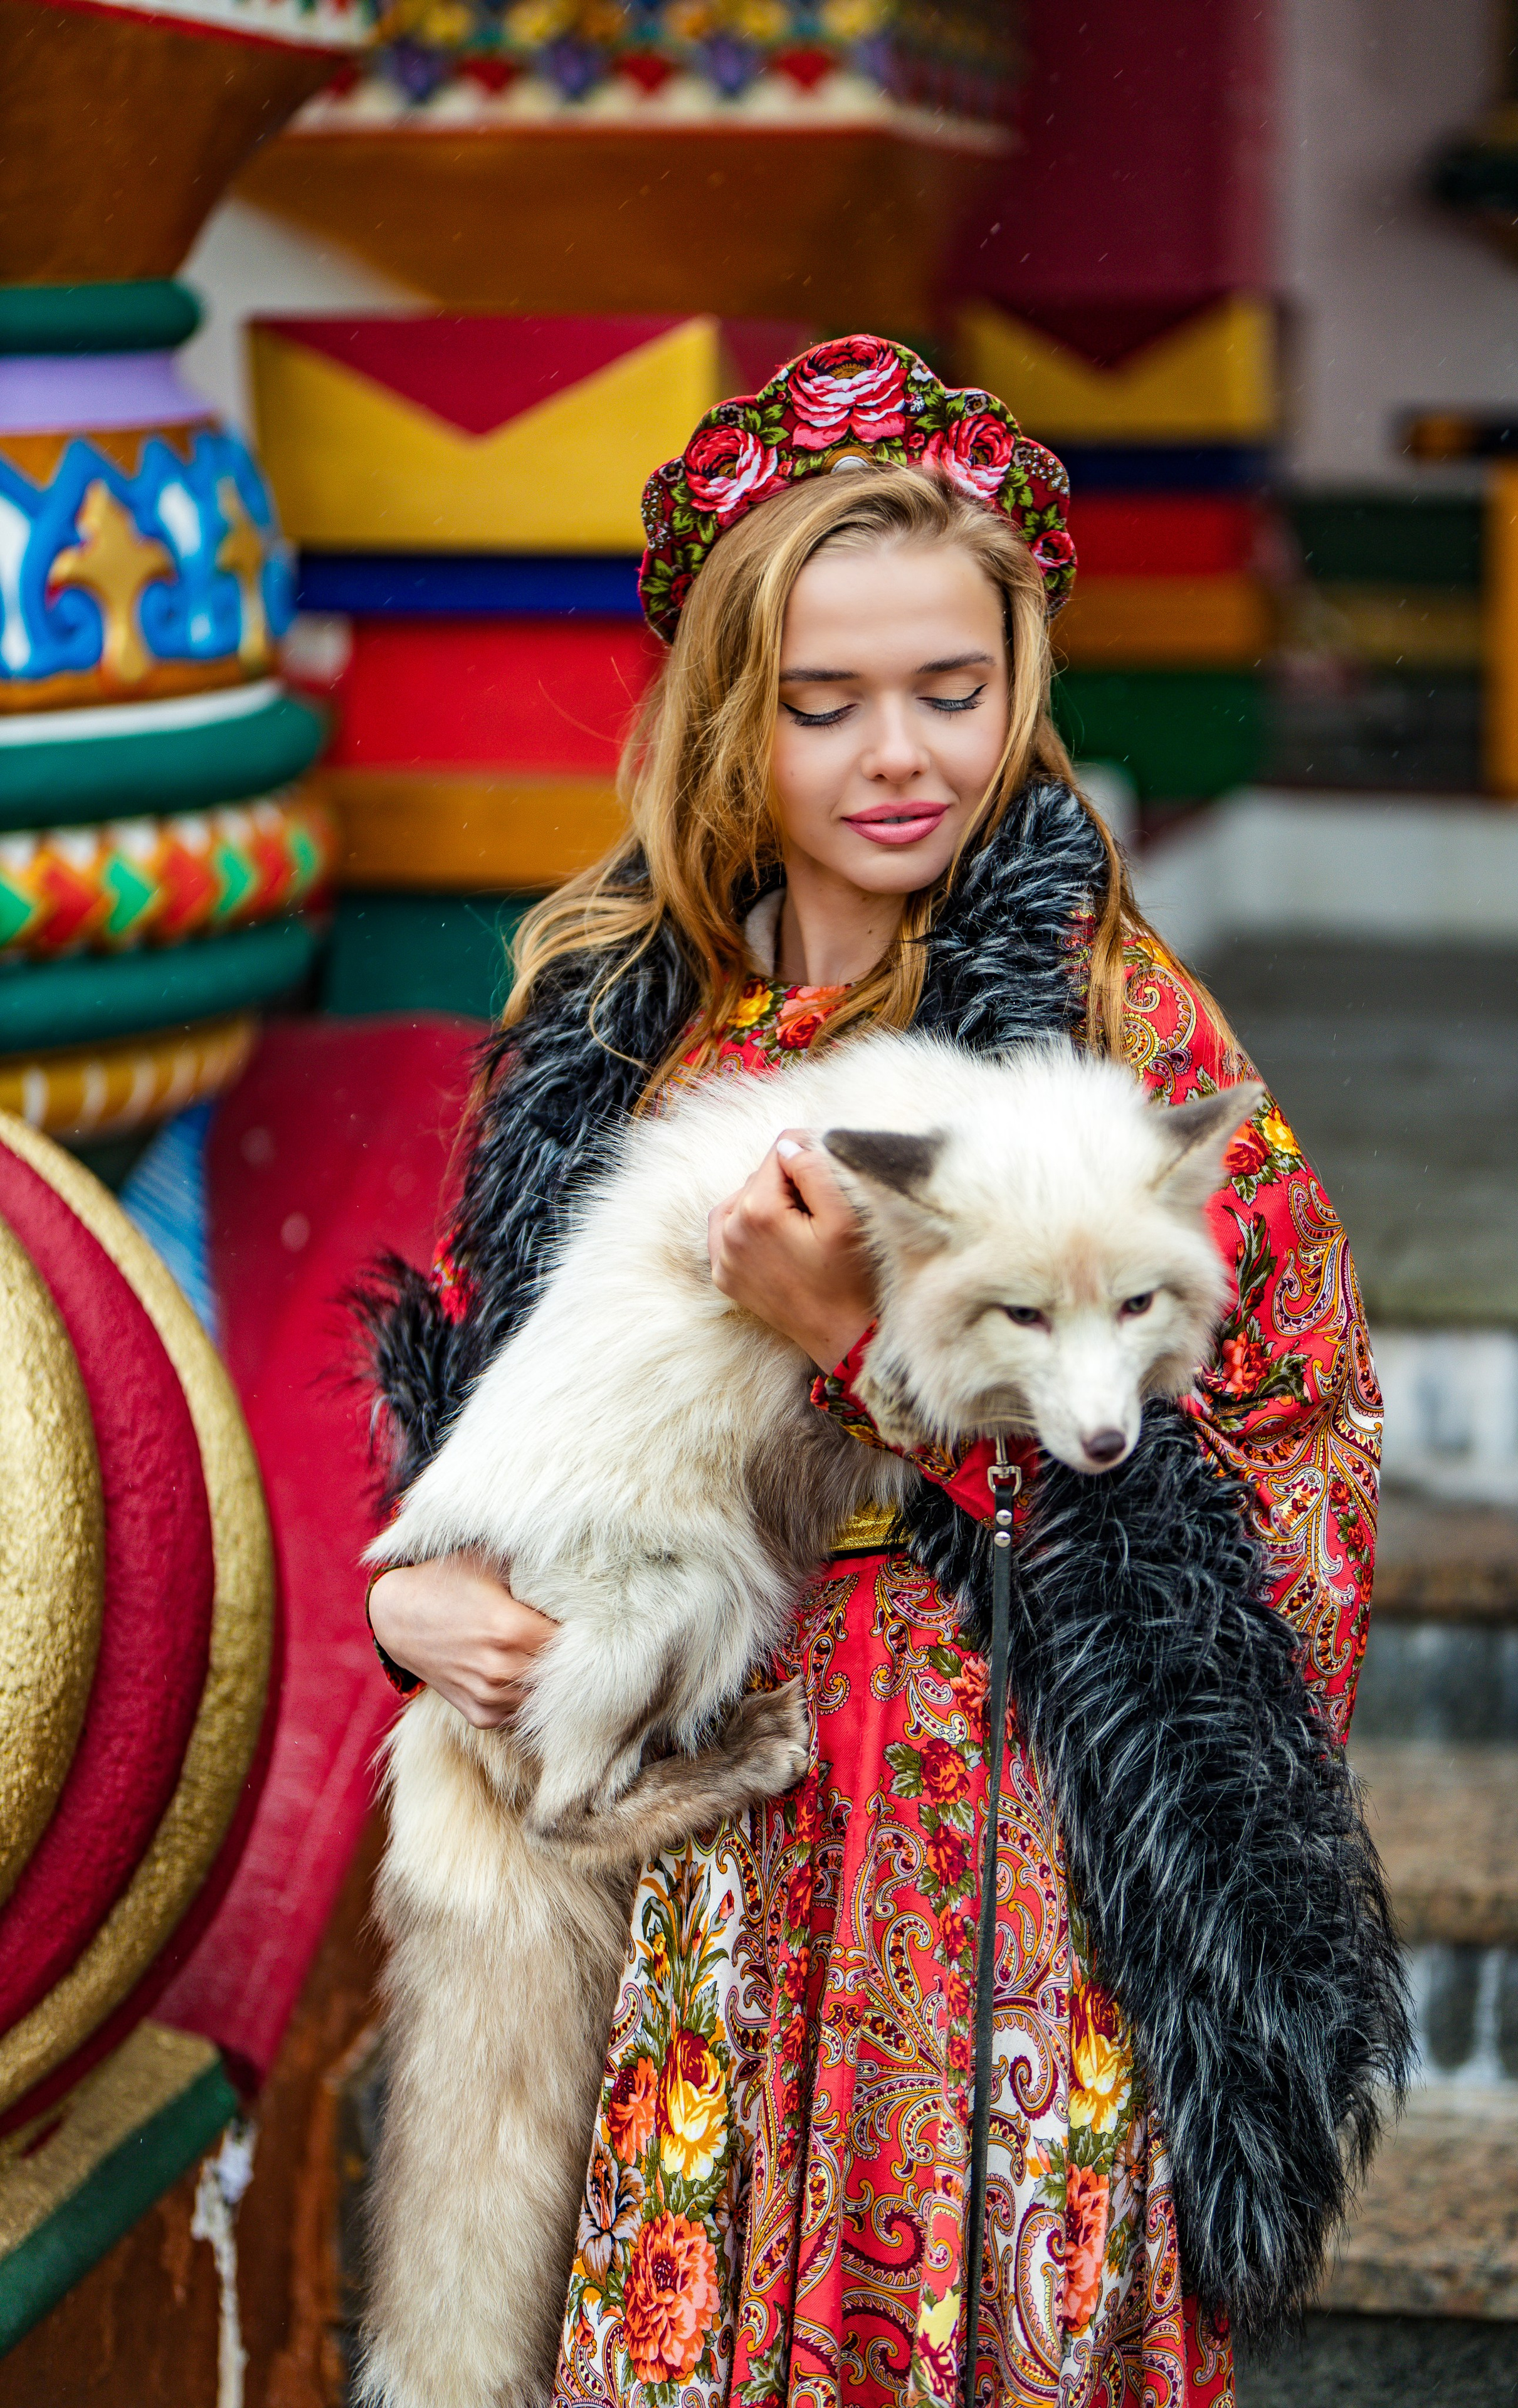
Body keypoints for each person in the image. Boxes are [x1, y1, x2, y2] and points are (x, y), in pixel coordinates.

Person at [363, 338, 1383, 2408]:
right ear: (735, 712)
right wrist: (417, 1600)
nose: (899, 754)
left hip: (997, 1860)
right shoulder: (618, 1037)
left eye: (956, 689)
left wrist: (860, 1355)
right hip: (694, 1859)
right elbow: (515, 1409)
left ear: (1025, 680)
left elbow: (1299, 1482)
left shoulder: (1121, 1054)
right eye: (825, 705)